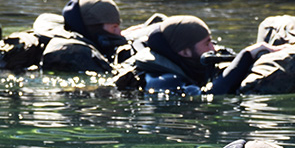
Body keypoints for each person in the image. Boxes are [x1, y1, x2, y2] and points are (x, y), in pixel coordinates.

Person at [113, 15, 277, 95]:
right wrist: (247, 55)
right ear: (184, 52)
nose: (213, 48)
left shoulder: (185, 61)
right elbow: (210, 97)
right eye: (207, 43)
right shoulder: (165, 81)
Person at [0, 0, 130, 73]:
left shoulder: (47, 37)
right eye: (114, 28)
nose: (119, 33)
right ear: (92, 28)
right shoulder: (77, 51)